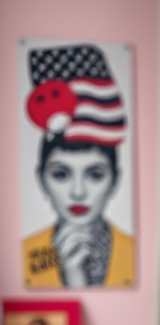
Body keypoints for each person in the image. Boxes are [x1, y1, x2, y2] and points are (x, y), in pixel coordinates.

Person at [22, 44, 134, 288]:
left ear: (116, 179)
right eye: (61, 174)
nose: (78, 192)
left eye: (95, 175)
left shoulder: (133, 252)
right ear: (41, 180)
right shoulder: (28, 254)